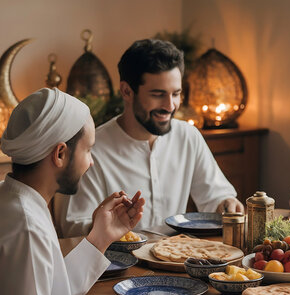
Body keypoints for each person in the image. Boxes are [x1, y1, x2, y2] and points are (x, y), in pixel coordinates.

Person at [0, 88, 145, 295]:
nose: (90, 162)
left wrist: (100, 237)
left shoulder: (12, 200)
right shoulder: (27, 226)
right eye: (88, 150)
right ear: (60, 154)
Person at [54, 39, 242, 237]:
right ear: (127, 91)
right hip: (117, 263)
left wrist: (226, 204)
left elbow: (215, 197)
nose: (170, 106)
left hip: (177, 259)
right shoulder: (93, 150)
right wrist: (109, 225)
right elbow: (71, 227)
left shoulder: (188, 136)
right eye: (158, 94)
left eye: (176, 94)